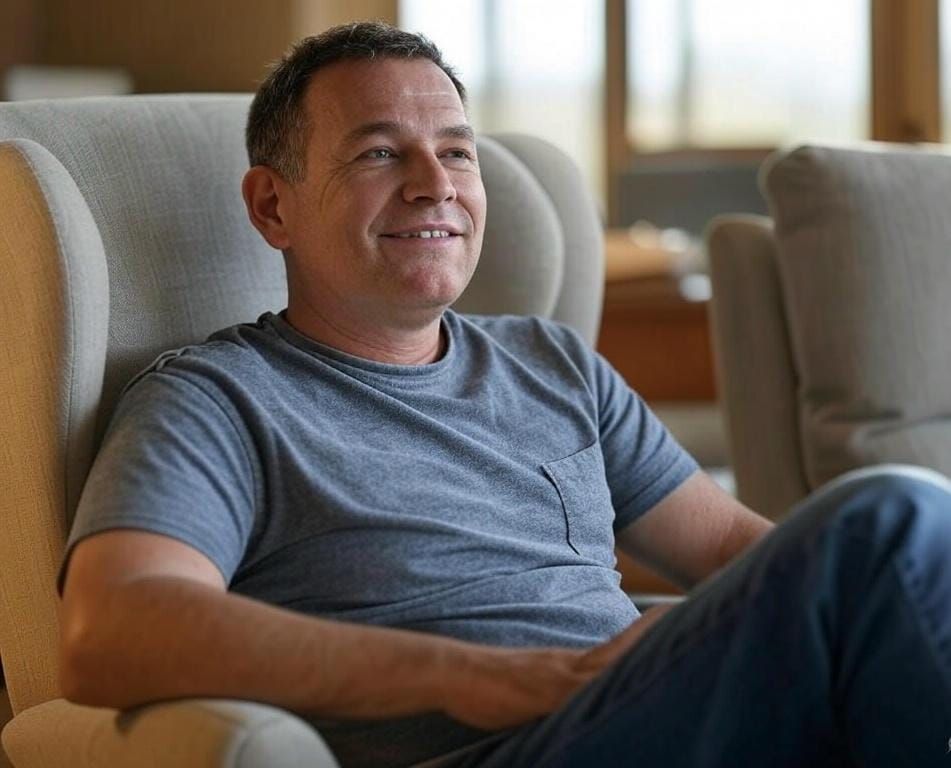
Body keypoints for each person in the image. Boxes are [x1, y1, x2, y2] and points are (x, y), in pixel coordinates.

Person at [58, 22, 951, 768]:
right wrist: (478, 677)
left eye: (456, 151)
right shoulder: (216, 400)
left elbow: (727, 546)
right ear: (271, 206)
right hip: (492, 750)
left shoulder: (550, 362)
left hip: (651, 717)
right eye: (379, 152)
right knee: (893, 514)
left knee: (895, 549)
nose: (434, 184)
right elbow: (109, 632)